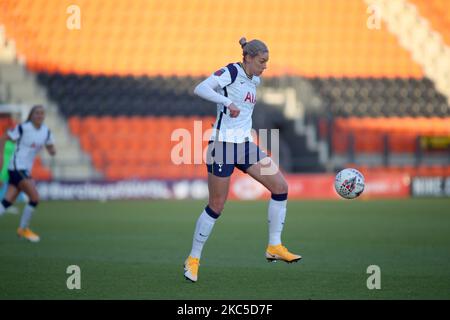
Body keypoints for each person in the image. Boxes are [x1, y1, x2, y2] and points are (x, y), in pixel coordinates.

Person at [183, 37, 301, 282]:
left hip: (245, 145)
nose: (265, 66)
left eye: (267, 61)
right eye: (262, 61)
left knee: (280, 187)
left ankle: (274, 246)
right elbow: (200, 88)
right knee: (217, 205)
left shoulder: (253, 79)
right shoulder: (232, 71)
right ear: (248, 58)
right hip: (222, 146)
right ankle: (193, 258)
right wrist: (227, 101)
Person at [0, 105, 56, 242]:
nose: (40, 115)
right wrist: (1, 155)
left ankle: (22, 229)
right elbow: (3, 138)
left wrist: (52, 150)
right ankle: (23, 229)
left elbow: (50, 147)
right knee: (35, 197)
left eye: (42, 113)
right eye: (37, 113)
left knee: (6, 202)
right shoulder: (23, 128)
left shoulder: (46, 132)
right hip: (17, 167)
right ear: (31, 115)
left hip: (24, 169)